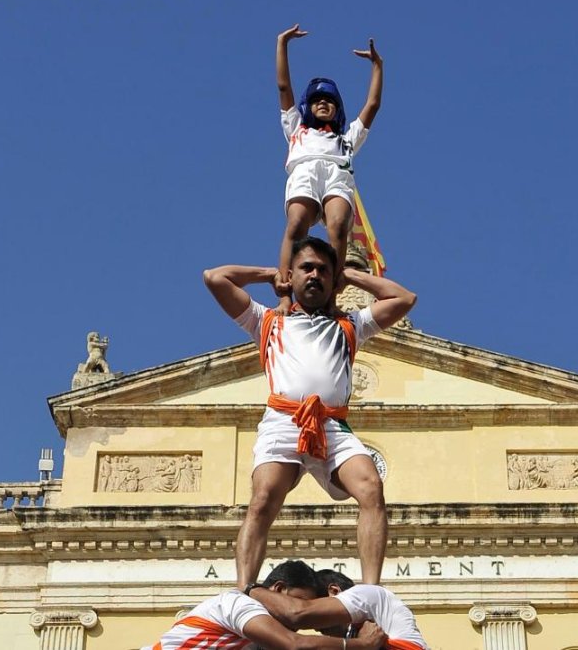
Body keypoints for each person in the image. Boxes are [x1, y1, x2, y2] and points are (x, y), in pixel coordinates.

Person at [203, 236, 416, 591]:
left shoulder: (350, 326)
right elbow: (215, 278)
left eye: (323, 270)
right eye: (307, 268)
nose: (314, 275)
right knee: (262, 499)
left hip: (331, 425)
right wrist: (272, 274)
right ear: (294, 275)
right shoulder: (267, 322)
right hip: (284, 422)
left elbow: (404, 299)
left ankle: (371, 591)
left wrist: (351, 276)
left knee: (371, 488)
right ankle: (243, 590)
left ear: (333, 280)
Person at [273, 23, 383, 314]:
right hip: (305, 172)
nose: (324, 104)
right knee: (296, 224)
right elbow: (284, 87)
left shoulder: (345, 140)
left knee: (337, 227)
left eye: (330, 102)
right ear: (309, 107)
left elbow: (372, 106)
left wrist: (377, 67)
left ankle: (331, 297)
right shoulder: (297, 129)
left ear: (338, 111)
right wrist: (281, 44)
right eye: (318, 101)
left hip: (336, 175)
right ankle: (285, 295)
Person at [140, 560, 387, 650]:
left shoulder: (257, 638)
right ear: (278, 590)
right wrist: (360, 645)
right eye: (300, 604)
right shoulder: (237, 603)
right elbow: (295, 646)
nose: (301, 621)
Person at [247, 569, 428, 650]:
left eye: (316, 612)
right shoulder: (352, 638)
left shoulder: (370, 595)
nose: (316, 627)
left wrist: (251, 590)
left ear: (333, 592)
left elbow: (298, 613)